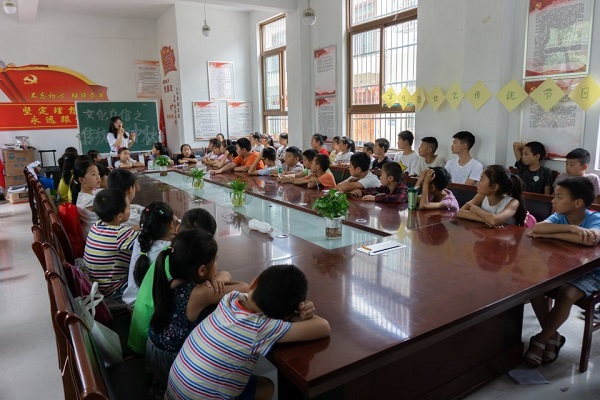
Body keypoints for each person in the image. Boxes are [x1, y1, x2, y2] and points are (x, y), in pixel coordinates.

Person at [165, 264, 330, 400]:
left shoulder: (230, 299)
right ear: (284, 315)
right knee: (267, 387)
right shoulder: (260, 327)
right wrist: (300, 313)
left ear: (254, 282)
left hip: (173, 391)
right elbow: (323, 327)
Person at [146, 229, 250, 399]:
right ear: (201, 270)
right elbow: (244, 288)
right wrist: (216, 280)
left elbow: (225, 274)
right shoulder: (199, 293)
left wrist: (216, 279)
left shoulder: (172, 281)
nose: (217, 263)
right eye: (215, 260)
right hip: (175, 366)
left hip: (155, 357)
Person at [525, 177, 600, 367]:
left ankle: (541, 340)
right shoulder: (560, 217)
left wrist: (551, 233)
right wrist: (571, 229)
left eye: (559, 197)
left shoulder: (595, 219)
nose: (553, 201)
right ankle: (553, 337)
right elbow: (537, 228)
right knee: (532, 286)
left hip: (591, 273)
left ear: (578, 203)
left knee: (567, 293)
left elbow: (589, 240)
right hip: (562, 268)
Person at [128, 208, 220, 355]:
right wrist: (219, 278)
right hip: (150, 343)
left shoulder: (170, 255)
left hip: (143, 335)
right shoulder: (183, 267)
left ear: (177, 229)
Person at [84, 188, 139, 304]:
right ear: (119, 216)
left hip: (97, 285)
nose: (130, 210)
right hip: (114, 291)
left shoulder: (96, 226)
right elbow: (147, 241)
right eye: (129, 208)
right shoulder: (120, 235)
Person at [123, 201, 176, 307]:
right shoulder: (169, 250)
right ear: (171, 225)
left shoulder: (140, 242)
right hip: (153, 311)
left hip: (134, 305)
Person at [457, 165, 527, 227]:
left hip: (506, 236)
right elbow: (460, 212)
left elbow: (494, 220)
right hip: (489, 233)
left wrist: (476, 209)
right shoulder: (481, 196)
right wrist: (485, 220)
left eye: (481, 180)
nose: (477, 183)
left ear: (494, 187)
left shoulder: (513, 202)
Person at [70, 159, 101, 237]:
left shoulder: (83, 195)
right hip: (97, 237)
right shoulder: (89, 201)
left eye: (98, 173)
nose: (98, 177)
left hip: (93, 234)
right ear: (81, 180)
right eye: (93, 174)